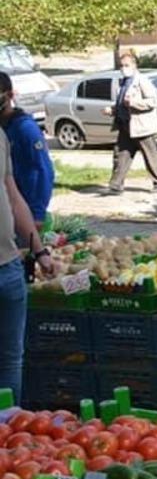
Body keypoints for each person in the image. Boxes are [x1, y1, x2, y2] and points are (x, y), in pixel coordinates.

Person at [0, 127, 56, 406]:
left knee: (11, 359)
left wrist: (39, 250)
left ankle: (9, 422)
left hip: (9, 265)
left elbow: (13, 197)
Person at [103, 53, 157, 195]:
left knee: (150, 155)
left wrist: (133, 103)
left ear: (134, 65)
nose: (123, 68)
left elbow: (153, 101)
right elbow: (122, 103)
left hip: (142, 127)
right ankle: (116, 185)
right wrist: (113, 110)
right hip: (125, 126)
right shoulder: (123, 82)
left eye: (126, 65)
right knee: (121, 155)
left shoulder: (141, 81)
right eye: (121, 66)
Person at [0, 72, 54, 225]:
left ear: (9, 95)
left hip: (23, 211)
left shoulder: (24, 129)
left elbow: (42, 170)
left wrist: (37, 215)